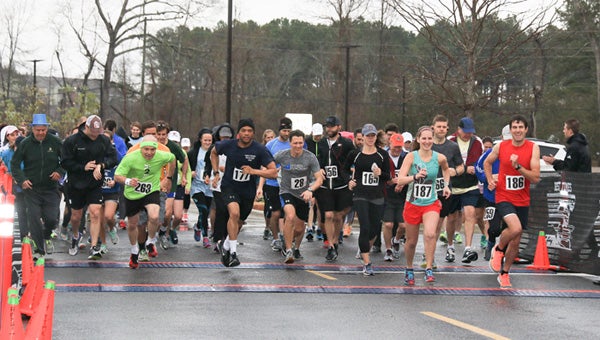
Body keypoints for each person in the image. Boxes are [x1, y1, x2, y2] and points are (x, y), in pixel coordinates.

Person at [210, 118, 277, 267]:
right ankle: (233, 253)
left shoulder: (259, 149)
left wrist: (253, 171)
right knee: (234, 213)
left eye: (250, 131)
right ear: (239, 133)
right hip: (229, 187)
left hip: (247, 191)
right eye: (243, 131)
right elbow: (213, 152)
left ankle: (225, 245)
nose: (246, 134)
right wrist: (215, 172)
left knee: (239, 222)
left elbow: (273, 172)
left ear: (253, 133)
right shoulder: (228, 145)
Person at [484, 114, 541, 288]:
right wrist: (489, 179)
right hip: (503, 196)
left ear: (526, 130)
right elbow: (487, 162)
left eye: (520, 127)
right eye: (514, 128)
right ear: (510, 130)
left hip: (522, 199)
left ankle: (505, 273)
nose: (517, 131)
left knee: (516, 239)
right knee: (514, 228)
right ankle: (499, 249)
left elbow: (536, 177)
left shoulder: (533, 148)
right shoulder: (501, 146)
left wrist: (518, 167)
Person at [396, 126, 451, 285]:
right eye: (424, 138)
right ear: (418, 140)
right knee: (411, 241)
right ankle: (409, 268)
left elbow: (446, 170)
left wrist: (446, 185)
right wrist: (415, 176)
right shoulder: (411, 157)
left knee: (430, 234)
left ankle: (428, 267)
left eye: (429, 138)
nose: (427, 141)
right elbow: (400, 180)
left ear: (433, 139)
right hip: (413, 203)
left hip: (431, 203)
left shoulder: (439, 157)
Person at [61, 115, 118, 259]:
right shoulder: (72, 141)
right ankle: (75, 235)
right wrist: (83, 167)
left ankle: (93, 246)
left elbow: (113, 158)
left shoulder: (103, 140)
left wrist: (102, 165)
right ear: (86, 127)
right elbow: (65, 162)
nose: (95, 136)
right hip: (76, 184)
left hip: (95, 183)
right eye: (92, 132)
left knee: (95, 212)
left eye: (97, 132)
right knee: (76, 216)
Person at [115, 135, 176, 269]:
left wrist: (168, 178)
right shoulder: (131, 157)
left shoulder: (162, 155)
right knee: (132, 224)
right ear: (141, 147)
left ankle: (150, 241)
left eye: (152, 150)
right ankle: (134, 251)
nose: (149, 153)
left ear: (156, 149)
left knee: (154, 216)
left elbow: (173, 159)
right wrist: (128, 181)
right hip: (133, 193)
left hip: (151, 190)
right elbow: (117, 175)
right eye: (146, 149)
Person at [11, 114, 65, 256]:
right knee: (34, 218)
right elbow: (15, 164)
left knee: (51, 219)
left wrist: (60, 171)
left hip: (51, 188)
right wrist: (22, 179)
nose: (41, 133)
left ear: (47, 128)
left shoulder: (55, 142)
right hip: (32, 189)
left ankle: (46, 235)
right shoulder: (25, 144)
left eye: (43, 130)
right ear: (33, 129)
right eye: (38, 130)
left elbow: (67, 159)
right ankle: (39, 251)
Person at [346, 124, 390, 275]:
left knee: (374, 228)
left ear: (376, 137)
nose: (371, 138)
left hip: (377, 195)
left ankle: (364, 247)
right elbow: (344, 169)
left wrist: (380, 174)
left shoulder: (382, 155)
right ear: (362, 137)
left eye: (373, 136)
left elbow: (388, 177)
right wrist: (349, 181)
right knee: (364, 226)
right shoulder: (355, 154)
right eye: (368, 136)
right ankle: (367, 262)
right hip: (360, 195)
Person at [274, 129, 323, 263]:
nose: (298, 146)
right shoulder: (281, 155)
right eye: (295, 143)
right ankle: (289, 250)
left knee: (300, 228)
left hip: (303, 194)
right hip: (286, 191)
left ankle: (295, 246)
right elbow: (267, 164)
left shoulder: (310, 157)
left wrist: (310, 190)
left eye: (300, 143)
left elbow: (319, 179)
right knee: (289, 216)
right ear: (290, 143)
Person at [315, 115, 355, 261]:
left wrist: (349, 174)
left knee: (338, 216)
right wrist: (318, 169)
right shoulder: (321, 143)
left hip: (341, 185)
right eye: (327, 126)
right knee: (329, 215)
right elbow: (315, 160)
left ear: (338, 127)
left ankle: (336, 240)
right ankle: (331, 246)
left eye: (331, 126)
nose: (328, 129)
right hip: (325, 186)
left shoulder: (347, 143)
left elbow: (353, 159)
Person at [447, 117, 483, 264]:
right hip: (453, 185)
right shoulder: (450, 141)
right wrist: (459, 169)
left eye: (470, 132)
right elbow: (446, 161)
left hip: (470, 185)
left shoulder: (477, 142)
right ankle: (450, 246)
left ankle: (468, 248)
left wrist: (476, 168)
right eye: (465, 132)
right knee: (452, 218)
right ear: (458, 129)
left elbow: (481, 160)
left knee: (470, 214)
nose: (468, 135)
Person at [431, 115, 464, 266]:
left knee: (444, 221)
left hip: (445, 190)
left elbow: (461, 166)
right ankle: (429, 254)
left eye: (444, 127)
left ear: (447, 128)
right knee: (433, 224)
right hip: (427, 190)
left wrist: (454, 172)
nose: (442, 129)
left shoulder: (452, 146)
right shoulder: (427, 144)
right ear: (433, 128)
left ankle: (450, 246)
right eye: (439, 127)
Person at [257, 117, 292, 253]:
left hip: (288, 184)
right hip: (272, 183)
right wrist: (260, 186)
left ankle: (285, 236)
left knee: (287, 213)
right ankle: (276, 237)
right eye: (284, 130)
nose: (286, 133)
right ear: (279, 131)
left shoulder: (293, 144)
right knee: (275, 212)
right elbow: (263, 166)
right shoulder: (271, 145)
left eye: (288, 130)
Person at [382, 132, 408, 261]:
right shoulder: (383, 157)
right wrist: (390, 181)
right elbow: (379, 175)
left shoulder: (406, 157)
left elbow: (411, 175)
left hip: (402, 196)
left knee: (403, 225)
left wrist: (402, 183)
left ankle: (396, 240)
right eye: (395, 146)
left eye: (400, 147)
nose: (397, 149)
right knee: (388, 224)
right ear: (389, 144)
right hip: (387, 196)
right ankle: (388, 249)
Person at [188, 128, 214, 248]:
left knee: (206, 212)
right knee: (203, 209)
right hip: (197, 186)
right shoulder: (193, 152)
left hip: (210, 187)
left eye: (210, 140)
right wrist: (191, 172)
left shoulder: (215, 151)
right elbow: (186, 167)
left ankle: (198, 226)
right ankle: (205, 237)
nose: (208, 142)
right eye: (205, 140)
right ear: (200, 140)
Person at [181, 137, 192, 223]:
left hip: (187, 179)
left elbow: (188, 170)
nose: (185, 149)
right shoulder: (180, 153)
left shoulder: (191, 154)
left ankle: (185, 212)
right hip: (178, 179)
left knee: (186, 196)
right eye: (184, 147)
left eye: (186, 147)